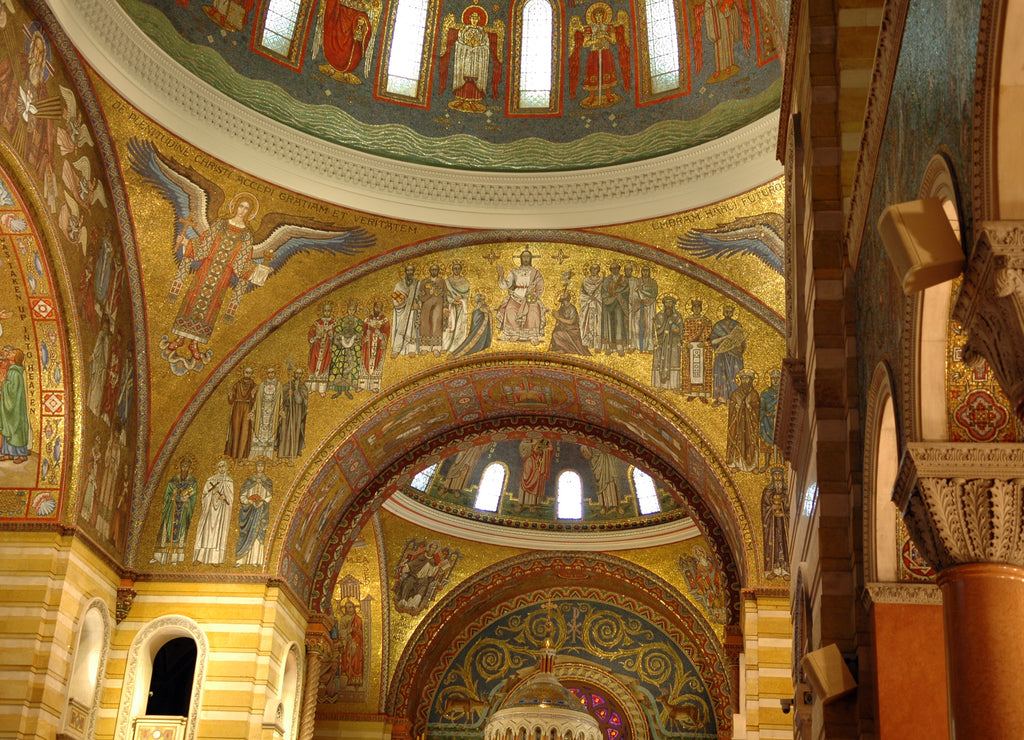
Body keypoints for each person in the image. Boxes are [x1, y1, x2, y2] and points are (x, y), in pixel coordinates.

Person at [166, 195, 261, 358]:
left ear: (250, 212)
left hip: (224, 275)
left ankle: (195, 343)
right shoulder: (220, 224)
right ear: (235, 206)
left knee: (212, 304)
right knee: (192, 297)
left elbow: (243, 262)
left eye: (246, 208)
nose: (242, 210)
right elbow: (204, 244)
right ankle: (180, 338)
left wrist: (261, 270)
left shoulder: (246, 236)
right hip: (207, 267)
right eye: (241, 206)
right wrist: (186, 242)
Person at [438, 6, 504, 113]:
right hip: (465, 58)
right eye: (472, 18)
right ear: (469, 19)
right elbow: (459, 42)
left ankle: (475, 101)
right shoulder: (464, 29)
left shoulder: (483, 32)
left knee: (475, 78)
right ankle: (460, 99)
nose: (474, 20)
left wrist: (478, 48)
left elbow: (486, 45)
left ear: (479, 20)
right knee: (464, 77)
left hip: (477, 58)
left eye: (476, 18)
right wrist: (466, 47)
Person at [568, 3, 631, 108]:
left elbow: (614, 41)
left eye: (600, 16)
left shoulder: (609, 27)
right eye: (596, 16)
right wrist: (594, 41)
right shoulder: (590, 28)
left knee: (607, 71)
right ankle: (592, 96)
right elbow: (585, 43)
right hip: (594, 53)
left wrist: (605, 36)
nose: (598, 18)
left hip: (606, 52)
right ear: (593, 17)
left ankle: (608, 94)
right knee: (593, 73)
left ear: (603, 16)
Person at [151, 455, 198, 565]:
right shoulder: (173, 480)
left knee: (181, 532)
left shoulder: (192, 482)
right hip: (171, 509)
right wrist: (171, 497)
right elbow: (166, 495)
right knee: (166, 531)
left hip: (183, 511)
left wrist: (187, 501)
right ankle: (160, 556)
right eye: (183, 466)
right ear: (180, 467)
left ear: (190, 468)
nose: (184, 468)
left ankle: (176, 558)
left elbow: (194, 498)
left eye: (187, 466)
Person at [317, 0, 376, 85]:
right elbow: (332, 8)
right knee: (334, 43)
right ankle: (333, 69)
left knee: (350, 50)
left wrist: (362, 22)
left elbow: (364, 16)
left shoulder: (361, 5)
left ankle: (345, 72)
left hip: (352, 30)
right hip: (339, 21)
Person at [693, 0, 752, 84]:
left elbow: (734, 6)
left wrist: (730, 8)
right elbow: (708, 8)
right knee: (719, 47)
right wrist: (714, 9)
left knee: (728, 44)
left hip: (727, 24)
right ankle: (719, 69)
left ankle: (729, 65)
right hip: (718, 26)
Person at [495, 250, 545, 344]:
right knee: (510, 310)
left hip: (530, 297)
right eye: (524, 257)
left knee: (534, 312)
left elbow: (540, 286)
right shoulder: (515, 272)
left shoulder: (535, 272)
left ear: (530, 259)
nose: (526, 259)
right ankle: (514, 333)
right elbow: (506, 285)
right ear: (520, 259)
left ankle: (532, 335)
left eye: (527, 257)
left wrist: (536, 294)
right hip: (516, 296)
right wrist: (501, 276)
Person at [193, 459, 234, 565]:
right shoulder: (210, 480)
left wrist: (225, 497)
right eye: (219, 466)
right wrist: (212, 493)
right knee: (207, 533)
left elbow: (230, 498)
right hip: (210, 511)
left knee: (217, 534)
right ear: (216, 468)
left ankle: (215, 559)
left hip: (221, 511)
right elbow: (204, 496)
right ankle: (201, 557)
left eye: (223, 466)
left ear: (227, 468)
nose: (221, 469)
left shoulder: (229, 481)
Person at [235, 457, 273, 567]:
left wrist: (263, 501)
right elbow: (242, 495)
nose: (260, 468)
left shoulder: (268, 481)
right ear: (255, 467)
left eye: (262, 466)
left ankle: (256, 560)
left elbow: (269, 496)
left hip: (261, 511)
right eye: (258, 466)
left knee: (258, 533)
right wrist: (248, 500)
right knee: (245, 533)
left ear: (265, 468)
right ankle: (241, 560)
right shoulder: (249, 481)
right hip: (249, 511)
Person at [709, 305, 745, 405]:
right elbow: (713, 341)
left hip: (735, 356)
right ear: (723, 312)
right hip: (722, 355)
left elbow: (742, 342)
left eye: (730, 311)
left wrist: (738, 346)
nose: (728, 313)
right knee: (721, 375)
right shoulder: (718, 325)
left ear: (733, 313)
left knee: (734, 374)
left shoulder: (737, 325)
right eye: (726, 311)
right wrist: (725, 337)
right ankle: (721, 398)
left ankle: (735, 398)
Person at [0, 345, 30, 462]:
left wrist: (4, 383)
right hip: (10, 405)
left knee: (16, 428)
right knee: (7, 427)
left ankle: (21, 455)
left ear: (15, 358)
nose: (9, 354)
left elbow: (13, 389)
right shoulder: (12, 369)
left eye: (12, 353)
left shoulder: (15, 371)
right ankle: (7, 453)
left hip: (15, 406)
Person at [395, 540, 444, 612]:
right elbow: (413, 563)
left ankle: (414, 604)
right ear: (429, 548)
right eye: (431, 547)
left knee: (423, 587)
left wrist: (437, 567)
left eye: (434, 548)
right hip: (414, 576)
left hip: (424, 579)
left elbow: (431, 572)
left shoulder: (433, 561)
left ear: (435, 550)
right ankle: (403, 601)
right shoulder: (422, 556)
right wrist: (405, 565)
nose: (432, 550)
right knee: (408, 582)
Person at [727, 369, 760, 472]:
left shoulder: (754, 394)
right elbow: (731, 408)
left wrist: (749, 406)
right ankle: (736, 464)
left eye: (747, 378)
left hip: (750, 423)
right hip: (738, 423)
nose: (745, 381)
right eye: (743, 378)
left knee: (751, 442)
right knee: (737, 440)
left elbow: (757, 408)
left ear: (751, 380)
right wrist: (737, 406)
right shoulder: (736, 393)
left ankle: (753, 466)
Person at [329, 300, 364, 398]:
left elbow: (360, 333)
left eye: (353, 310)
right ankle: (339, 390)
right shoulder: (342, 320)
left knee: (352, 366)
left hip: (353, 345)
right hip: (342, 345)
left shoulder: (358, 321)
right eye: (350, 309)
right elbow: (337, 331)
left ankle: (348, 389)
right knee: (340, 366)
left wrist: (355, 337)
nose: (351, 311)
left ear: (356, 310)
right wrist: (340, 337)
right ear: (347, 310)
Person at [682, 299, 713, 401]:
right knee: (691, 370)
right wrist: (687, 344)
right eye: (694, 307)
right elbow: (685, 335)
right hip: (691, 350)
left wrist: (703, 343)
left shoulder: (706, 321)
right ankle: (692, 393)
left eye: (698, 307)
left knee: (702, 370)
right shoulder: (687, 321)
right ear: (691, 308)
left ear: (701, 309)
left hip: (702, 350)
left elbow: (709, 336)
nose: (696, 309)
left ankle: (702, 394)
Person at [761, 467, 789, 578]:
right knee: (775, 543)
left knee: (785, 543)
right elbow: (765, 506)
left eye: (779, 474)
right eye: (775, 474)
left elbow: (790, 506)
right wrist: (772, 507)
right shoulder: (768, 490)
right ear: (772, 476)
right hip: (772, 524)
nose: (777, 477)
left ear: (783, 476)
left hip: (784, 523)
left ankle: (785, 569)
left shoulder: (787, 491)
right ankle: (774, 569)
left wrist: (784, 512)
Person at [249, 365, 282, 459]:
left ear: (275, 374)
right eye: (269, 373)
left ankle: (268, 456)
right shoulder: (262, 385)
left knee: (270, 434)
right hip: (262, 413)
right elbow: (258, 400)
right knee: (259, 433)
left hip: (272, 413)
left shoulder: (278, 385)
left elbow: (280, 399)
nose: (271, 374)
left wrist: (281, 410)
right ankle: (256, 456)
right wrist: (253, 411)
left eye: (272, 372)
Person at [225, 366, 257, 461]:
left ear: (252, 374)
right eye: (246, 372)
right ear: (243, 373)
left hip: (247, 408)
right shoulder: (237, 384)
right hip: (237, 408)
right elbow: (231, 400)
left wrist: (252, 395)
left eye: (249, 372)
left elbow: (254, 401)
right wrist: (230, 395)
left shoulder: (254, 385)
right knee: (235, 431)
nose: (247, 374)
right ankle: (233, 456)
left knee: (245, 432)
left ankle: (241, 457)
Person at [277, 367, 308, 459]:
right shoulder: (288, 385)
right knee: (284, 431)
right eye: (296, 373)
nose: (298, 375)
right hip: (287, 412)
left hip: (297, 414)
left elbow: (299, 401)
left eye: (300, 374)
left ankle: (292, 455)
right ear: (294, 374)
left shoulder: (303, 387)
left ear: (302, 375)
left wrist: (295, 391)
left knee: (294, 432)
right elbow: (282, 398)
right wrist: (288, 396)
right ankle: (281, 454)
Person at [652, 296, 683, 389]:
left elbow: (681, 329)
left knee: (674, 362)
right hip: (661, 343)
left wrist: (676, 330)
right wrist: (654, 339)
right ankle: (660, 386)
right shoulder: (659, 316)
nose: (668, 305)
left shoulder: (677, 316)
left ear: (673, 305)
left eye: (671, 303)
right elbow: (654, 330)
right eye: (667, 303)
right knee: (658, 362)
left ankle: (674, 386)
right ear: (664, 304)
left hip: (673, 343)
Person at [516, 438, 554, 512]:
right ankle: (521, 504)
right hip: (530, 461)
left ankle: (532, 505)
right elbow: (522, 446)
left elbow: (550, 449)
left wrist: (543, 450)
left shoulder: (546, 439)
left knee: (536, 483)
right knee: (525, 479)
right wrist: (531, 446)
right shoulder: (530, 436)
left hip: (539, 463)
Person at [582, 446, 623, 513]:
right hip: (597, 461)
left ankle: (618, 506)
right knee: (601, 484)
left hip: (608, 460)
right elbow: (587, 453)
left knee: (613, 482)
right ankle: (604, 506)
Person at [391, 265, 421, 356]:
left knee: (412, 329)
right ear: (405, 272)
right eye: (408, 270)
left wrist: (418, 304)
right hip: (403, 310)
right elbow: (395, 298)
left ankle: (412, 349)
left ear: (414, 271)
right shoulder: (399, 284)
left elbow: (421, 296)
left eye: (411, 270)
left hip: (413, 310)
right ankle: (397, 349)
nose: (409, 272)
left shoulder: (417, 284)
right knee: (400, 328)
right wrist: (402, 303)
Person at [307, 302, 336, 396]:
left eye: (329, 311)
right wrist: (315, 338)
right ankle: (311, 387)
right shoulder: (317, 323)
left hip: (326, 348)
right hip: (317, 347)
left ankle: (321, 389)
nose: (327, 313)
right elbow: (311, 334)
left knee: (324, 366)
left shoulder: (333, 323)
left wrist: (332, 336)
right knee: (314, 366)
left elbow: (336, 336)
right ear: (322, 311)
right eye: (325, 311)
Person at [600, 262, 629, 354]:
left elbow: (626, 290)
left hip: (619, 303)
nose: (614, 270)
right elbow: (603, 290)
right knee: (609, 323)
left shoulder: (623, 279)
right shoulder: (607, 279)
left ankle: (620, 345)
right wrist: (609, 295)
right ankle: (611, 346)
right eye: (612, 269)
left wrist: (617, 293)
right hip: (609, 304)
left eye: (616, 268)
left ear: (619, 269)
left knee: (619, 322)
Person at [360, 300, 390, 391]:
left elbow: (387, 333)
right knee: (365, 363)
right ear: (373, 308)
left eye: (380, 308)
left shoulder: (384, 320)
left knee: (378, 364)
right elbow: (362, 332)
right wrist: (366, 335)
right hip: (367, 346)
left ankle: (375, 386)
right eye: (376, 307)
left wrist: (380, 335)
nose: (378, 310)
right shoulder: (367, 320)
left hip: (379, 346)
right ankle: (362, 385)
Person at [442, 261, 471, 352]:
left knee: (460, 325)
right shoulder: (447, 281)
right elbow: (445, 295)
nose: (457, 270)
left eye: (458, 268)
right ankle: (446, 346)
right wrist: (452, 300)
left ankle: (458, 347)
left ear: (461, 270)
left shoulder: (465, 282)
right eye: (455, 268)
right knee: (449, 325)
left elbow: (466, 295)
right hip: (451, 306)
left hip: (461, 306)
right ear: (452, 269)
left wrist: (461, 300)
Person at [417, 264, 446, 354]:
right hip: (426, 305)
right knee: (425, 323)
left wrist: (445, 307)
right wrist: (429, 293)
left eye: (436, 270)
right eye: (432, 270)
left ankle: (436, 348)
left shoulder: (441, 281)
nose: (434, 271)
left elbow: (445, 294)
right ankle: (425, 347)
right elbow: (420, 295)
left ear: (438, 271)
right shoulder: (424, 282)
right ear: (430, 271)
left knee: (436, 323)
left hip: (438, 304)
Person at [759, 369, 781, 472]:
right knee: (765, 440)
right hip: (767, 422)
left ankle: (782, 461)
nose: (775, 381)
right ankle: (767, 463)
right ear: (770, 380)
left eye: (777, 378)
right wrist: (766, 414)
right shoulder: (765, 394)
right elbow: (761, 409)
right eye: (773, 379)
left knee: (782, 441)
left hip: (780, 421)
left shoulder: (783, 393)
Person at [578, 264, 603, 350]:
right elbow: (582, 294)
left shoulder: (601, 281)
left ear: (598, 270)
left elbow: (603, 293)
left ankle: (597, 343)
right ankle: (588, 341)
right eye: (592, 268)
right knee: (587, 323)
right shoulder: (585, 281)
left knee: (597, 322)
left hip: (597, 305)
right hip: (588, 305)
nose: (594, 270)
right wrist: (588, 298)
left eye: (596, 269)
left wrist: (596, 297)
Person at [635, 265, 658, 352]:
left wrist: (642, 290)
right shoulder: (638, 281)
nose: (645, 272)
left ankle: (650, 346)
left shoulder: (653, 282)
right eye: (643, 271)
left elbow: (654, 294)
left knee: (649, 325)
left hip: (650, 305)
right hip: (639, 306)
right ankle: (640, 346)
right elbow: (634, 293)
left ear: (649, 272)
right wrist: (641, 298)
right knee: (640, 325)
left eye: (647, 271)